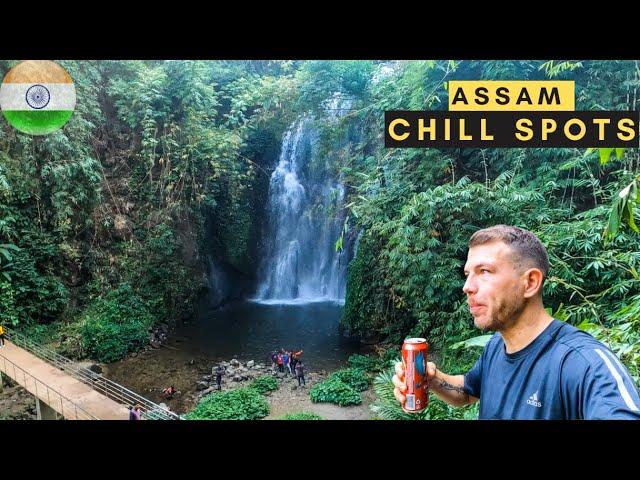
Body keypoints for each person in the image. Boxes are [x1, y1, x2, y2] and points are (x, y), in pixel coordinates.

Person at [393, 225, 640, 419]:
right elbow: (468, 391)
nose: (467, 287)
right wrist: (431, 379)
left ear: (530, 282)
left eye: (485, 272)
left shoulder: (583, 362)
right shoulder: (495, 347)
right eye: (468, 275)